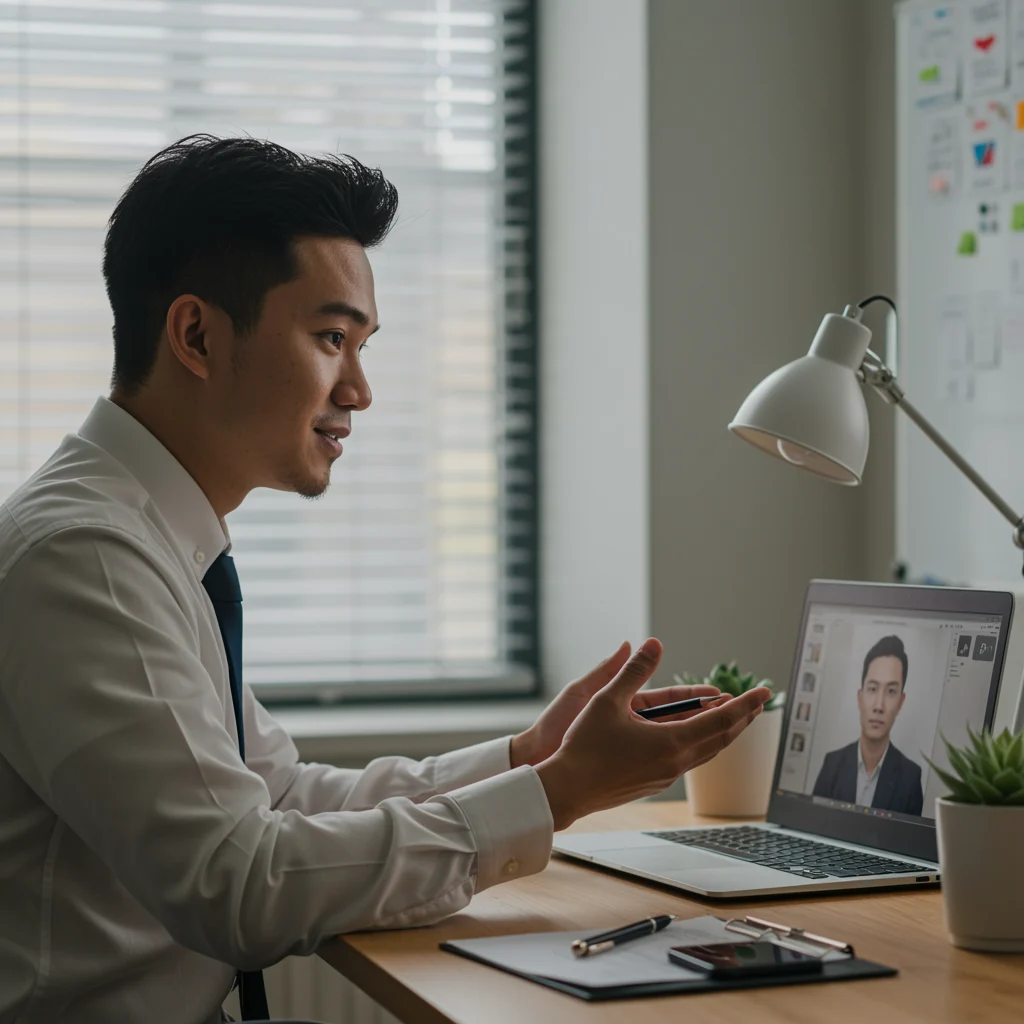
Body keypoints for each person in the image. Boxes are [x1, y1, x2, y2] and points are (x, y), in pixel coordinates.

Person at [0, 136, 771, 1023]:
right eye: (333, 339)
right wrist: (557, 794)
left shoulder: (143, 537)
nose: (359, 391)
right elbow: (237, 883)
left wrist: (529, 758)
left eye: (361, 346)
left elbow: (278, 798)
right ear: (198, 335)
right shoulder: (86, 556)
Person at [811, 635, 923, 816]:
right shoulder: (832, 764)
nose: (879, 706)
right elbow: (813, 822)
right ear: (860, 698)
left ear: (901, 702)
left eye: (891, 691)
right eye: (872, 689)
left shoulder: (910, 777)